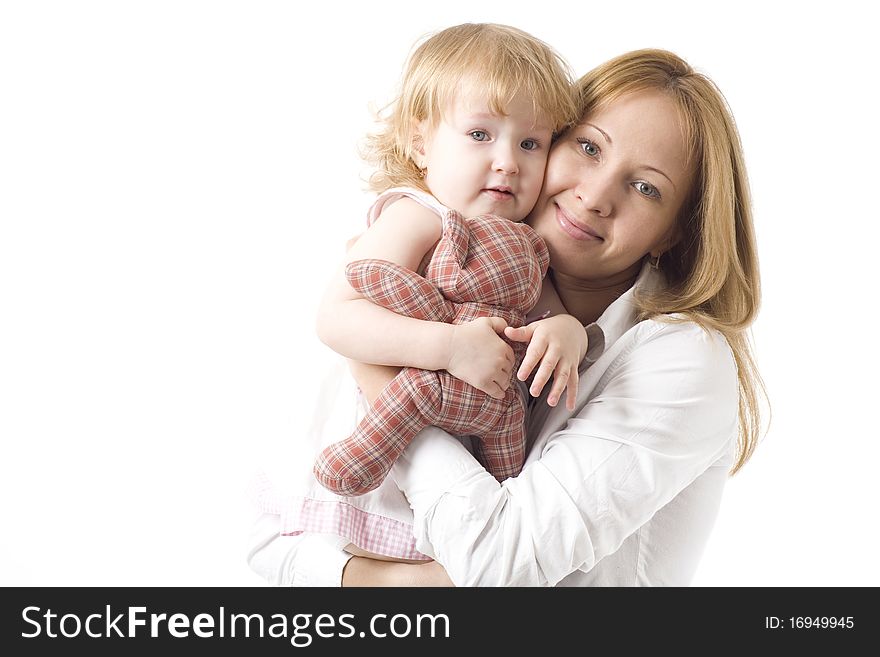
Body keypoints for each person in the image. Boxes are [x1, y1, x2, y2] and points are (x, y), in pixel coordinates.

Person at [251, 46, 765, 587]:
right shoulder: (456, 262)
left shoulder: (683, 357)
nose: (593, 196)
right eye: (588, 147)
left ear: (674, 233)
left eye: (645, 188)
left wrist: (385, 382)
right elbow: (266, 541)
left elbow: (500, 566)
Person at [248, 23, 583, 573]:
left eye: (531, 143)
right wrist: (449, 347)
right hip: (383, 431)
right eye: (480, 135)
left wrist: (566, 332)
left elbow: (552, 314)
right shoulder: (418, 214)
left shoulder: (527, 245)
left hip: (464, 448)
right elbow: (339, 315)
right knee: (377, 557)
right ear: (419, 142)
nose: (508, 161)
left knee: (453, 560)